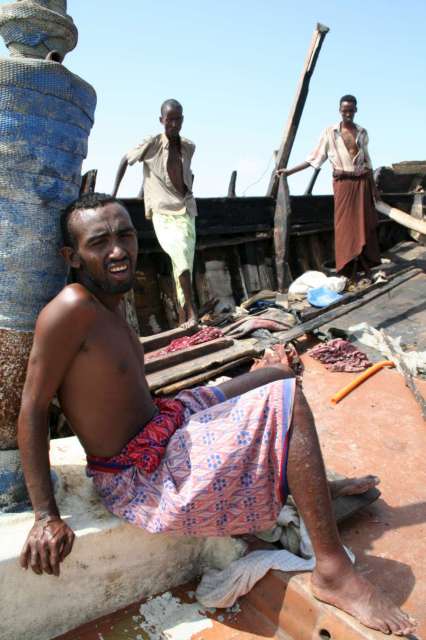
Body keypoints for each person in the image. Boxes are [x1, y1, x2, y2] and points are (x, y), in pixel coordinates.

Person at [17, 193, 416, 636]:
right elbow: (32, 409)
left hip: (164, 425)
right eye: (100, 242)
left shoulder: (109, 303)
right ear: (72, 257)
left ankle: (309, 485)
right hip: (142, 474)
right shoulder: (71, 309)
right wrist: (45, 516)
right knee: (288, 401)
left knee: (276, 373)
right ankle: (334, 570)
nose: (118, 250)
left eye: (125, 235)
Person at [278, 95, 383, 284]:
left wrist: (374, 190)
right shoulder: (330, 132)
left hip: (362, 183)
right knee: (344, 228)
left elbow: (367, 162)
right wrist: (289, 171)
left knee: (365, 225)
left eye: (351, 110)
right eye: (345, 110)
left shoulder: (362, 132)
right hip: (342, 183)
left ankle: (366, 268)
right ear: (340, 111)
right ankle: (346, 270)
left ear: (356, 110)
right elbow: (314, 159)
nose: (348, 113)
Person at [112, 99, 198, 327]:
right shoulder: (152, 143)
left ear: (182, 120)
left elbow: (184, 174)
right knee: (180, 255)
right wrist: (113, 193)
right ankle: (191, 310)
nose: (173, 124)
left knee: (184, 263)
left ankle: (183, 318)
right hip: (163, 211)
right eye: (169, 119)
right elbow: (125, 160)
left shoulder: (189, 146)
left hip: (187, 210)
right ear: (162, 120)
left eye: (177, 119)